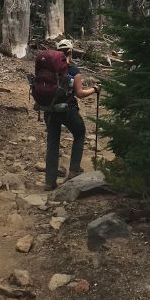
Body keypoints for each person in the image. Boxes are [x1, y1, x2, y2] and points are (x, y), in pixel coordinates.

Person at [44, 40, 99, 191]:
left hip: (49, 109)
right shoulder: (73, 70)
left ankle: (49, 181)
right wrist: (94, 89)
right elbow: (80, 94)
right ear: (70, 52)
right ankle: (74, 171)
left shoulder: (48, 68)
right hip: (67, 109)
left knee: (53, 143)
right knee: (80, 133)